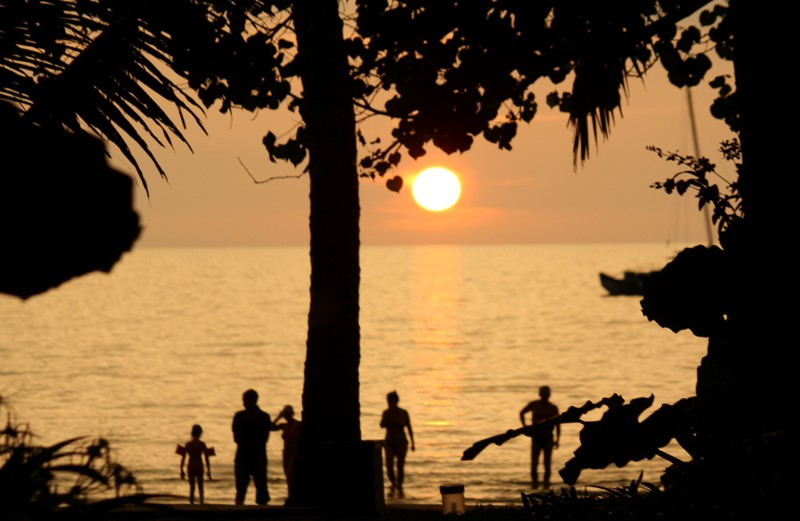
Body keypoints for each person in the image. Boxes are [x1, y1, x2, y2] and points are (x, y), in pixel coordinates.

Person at [232, 389, 272, 505]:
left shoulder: (239, 416)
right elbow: (266, 439)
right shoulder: (265, 417)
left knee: (240, 492)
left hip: (242, 456)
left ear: (247, 400)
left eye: (243, 400)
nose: (243, 403)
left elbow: (236, 439)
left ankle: (237, 516)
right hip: (259, 456)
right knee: (262, 490)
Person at [519, 385, 560, 489]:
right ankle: (534, 485)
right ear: (540, 394)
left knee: (547, 464)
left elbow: (558, 424)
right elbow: (522, 413)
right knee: (534, 463)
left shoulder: (553, 407)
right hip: (536, 437)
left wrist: (557, 440)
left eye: (547, 393)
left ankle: (546, 485)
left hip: (548, 438)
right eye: (543, 393)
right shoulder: (534, 404)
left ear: (549, 394)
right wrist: (525, 427)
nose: (545, 395)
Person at [380, 390, 415, 497]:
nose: (388, 402)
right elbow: (381, 425)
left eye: (390, 400)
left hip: (401, 442)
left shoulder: (403, 412)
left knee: (400, 466)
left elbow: (409, 427)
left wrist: (413, 442)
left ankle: (399, 487)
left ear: (395, 400)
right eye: (388, 400)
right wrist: (388, 422)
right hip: (389, 442)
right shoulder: (386, 412)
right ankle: (393, 484)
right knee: (389, 467)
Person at [178, 424, 213, 504]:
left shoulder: (188, 444)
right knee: (201, 487)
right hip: (199, 465)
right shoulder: (202, 444)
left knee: (192, 487)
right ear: (200, 433)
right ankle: (201, 503)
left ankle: (191, 504)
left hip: (191, 465)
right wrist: (209, 471)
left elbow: (183, 458)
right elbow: (206, 458)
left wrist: (181, 470)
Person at [271, 405, 302, 497]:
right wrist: (278, 417)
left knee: (291, 474)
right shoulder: (284, 425)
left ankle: (294, 495)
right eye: (285, 414)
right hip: (286, 453)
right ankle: (291, 495)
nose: (286, 416)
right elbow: (270, 427)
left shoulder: (298, 425)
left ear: (292, 414)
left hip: (295, 453)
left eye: (288, 414)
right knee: (287, 476)